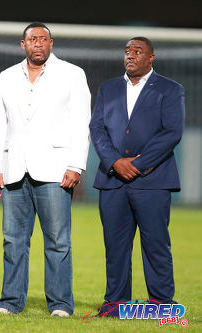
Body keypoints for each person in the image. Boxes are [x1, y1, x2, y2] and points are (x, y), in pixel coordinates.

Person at [0, 22, 91, 317]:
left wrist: (76, 165)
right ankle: (9, 303)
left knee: (58, 241)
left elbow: (81, 122)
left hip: (56, 171)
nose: (37, 43)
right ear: (23, 44)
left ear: (51, 43)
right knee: (12, 241)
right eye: (32, 39)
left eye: (43, 39)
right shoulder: (7, 76)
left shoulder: (72, 74)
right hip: (14, 170)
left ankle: (60, 305)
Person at [89, 37, 184, 316]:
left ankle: (163, 305)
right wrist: (114, 161)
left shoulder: (170, 89)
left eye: (138, 51)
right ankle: (116, 305)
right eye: (127, 51)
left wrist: (139, 164)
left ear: (151, 57)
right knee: (115, 247)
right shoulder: (108, 88)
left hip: (153, 181)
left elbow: (172, 132)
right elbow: (97, 129)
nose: (130, 55)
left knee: (155, 244)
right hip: (112, 180)